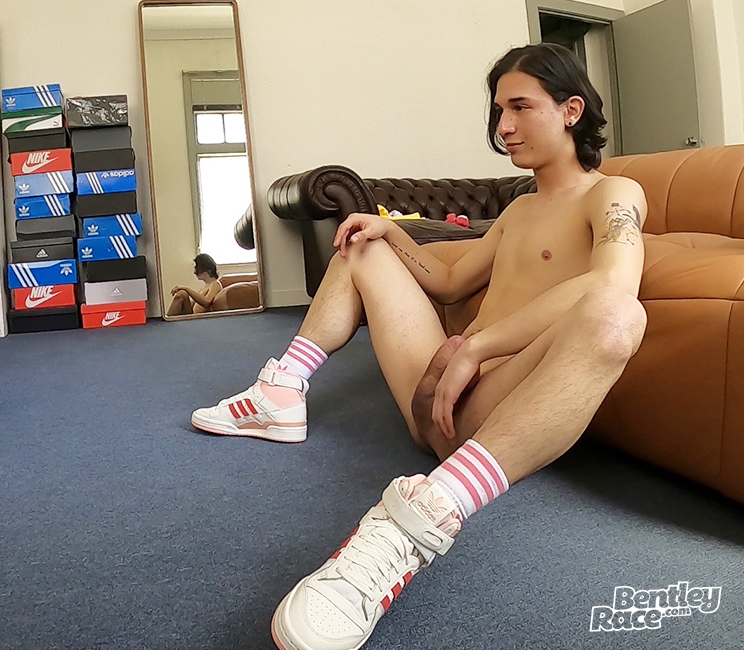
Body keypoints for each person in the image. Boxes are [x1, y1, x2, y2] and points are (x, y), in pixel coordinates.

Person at [191, 44, 648, 650]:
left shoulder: (613, 194)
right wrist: (391, 231)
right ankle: (282, 392)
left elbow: (613, 283)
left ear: (571, 110)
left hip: (492, 409)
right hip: (435, 386)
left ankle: (423, 514)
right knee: (361, 243)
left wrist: (477, 348)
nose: (504, 126)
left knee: (618, 315)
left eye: (520, 107)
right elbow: (450, 282)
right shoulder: (519, 208)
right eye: (498, 111)